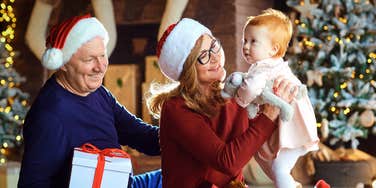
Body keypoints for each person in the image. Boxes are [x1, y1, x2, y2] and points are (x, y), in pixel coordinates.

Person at [146, 18, 297, 187]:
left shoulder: (229, 94)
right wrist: (268, 116)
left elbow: (253, 139)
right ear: (187, 69)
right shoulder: (176, 108)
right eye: (203, 56)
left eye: (214, 46)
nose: (215, 57)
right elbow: (227, 161)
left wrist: (277, 98)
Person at [18, 14, 162, 188]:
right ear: (63, 63)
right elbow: (32, 184)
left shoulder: (98, 93)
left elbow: (139, 134)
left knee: (182, 175)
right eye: (89, 59)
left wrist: (180, 135)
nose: (100, 66)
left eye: (102, 55)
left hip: (125, 184)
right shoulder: (49, 116)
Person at [235, 9, 319, 187]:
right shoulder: (270, 65)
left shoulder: (264, 68)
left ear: (273, 49)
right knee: (272, 166)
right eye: (245, 40)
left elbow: (250, 88)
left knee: (278, 169)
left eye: (253, 41)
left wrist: (237, 100)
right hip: (290, 126)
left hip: (293, 127)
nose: (246, 46)